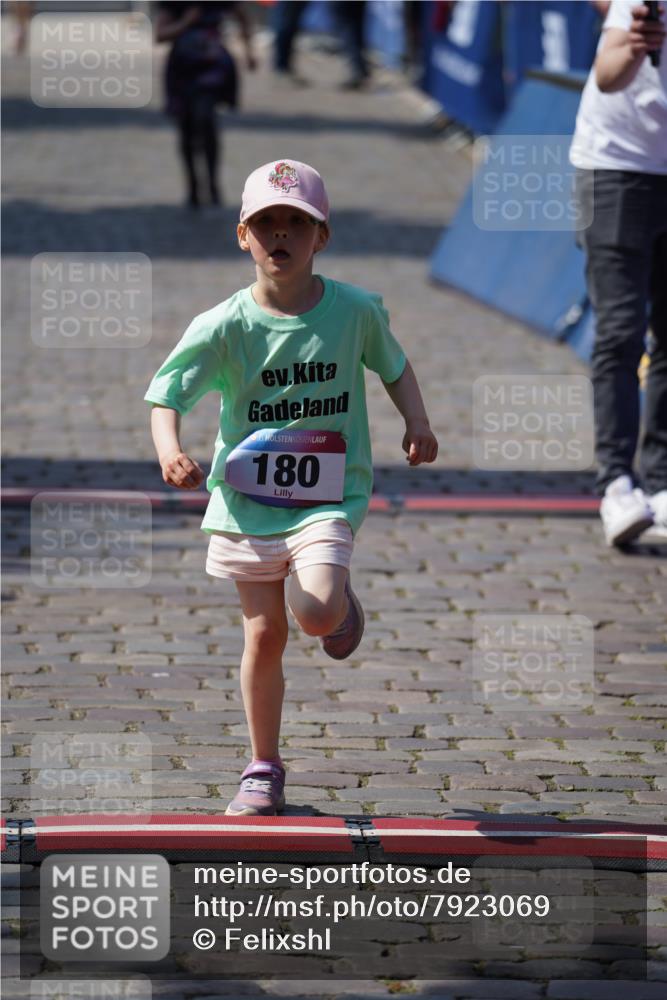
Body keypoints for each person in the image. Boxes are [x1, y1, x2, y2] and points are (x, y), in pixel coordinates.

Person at [144, 159, 438, 815]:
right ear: (242, 235)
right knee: (264, 636)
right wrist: (171, 452)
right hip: (247, 499)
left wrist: (416, 421)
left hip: (327, 496)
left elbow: (394, 365)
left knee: (313, 613)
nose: (281, 236)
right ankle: (263, 766)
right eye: (266, 224)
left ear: (320, 237)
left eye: (296, 224)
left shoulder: (353, 311)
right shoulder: (223, 324)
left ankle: (337, 604)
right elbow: (167, 395)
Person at [570, 1, 667, 546]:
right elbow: (608, 76)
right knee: (621, 331)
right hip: (617, 168)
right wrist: (635, 42)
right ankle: (616, 484)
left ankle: (660, 481)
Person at [155, 2, 256, 208]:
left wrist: (248, 51)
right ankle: (192, 187)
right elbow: (160, 34)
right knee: (186, 129)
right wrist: (185, 22)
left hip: (212, 69)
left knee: (206, 121)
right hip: (183, 70)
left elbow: (242, 17)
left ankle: (212, 185)